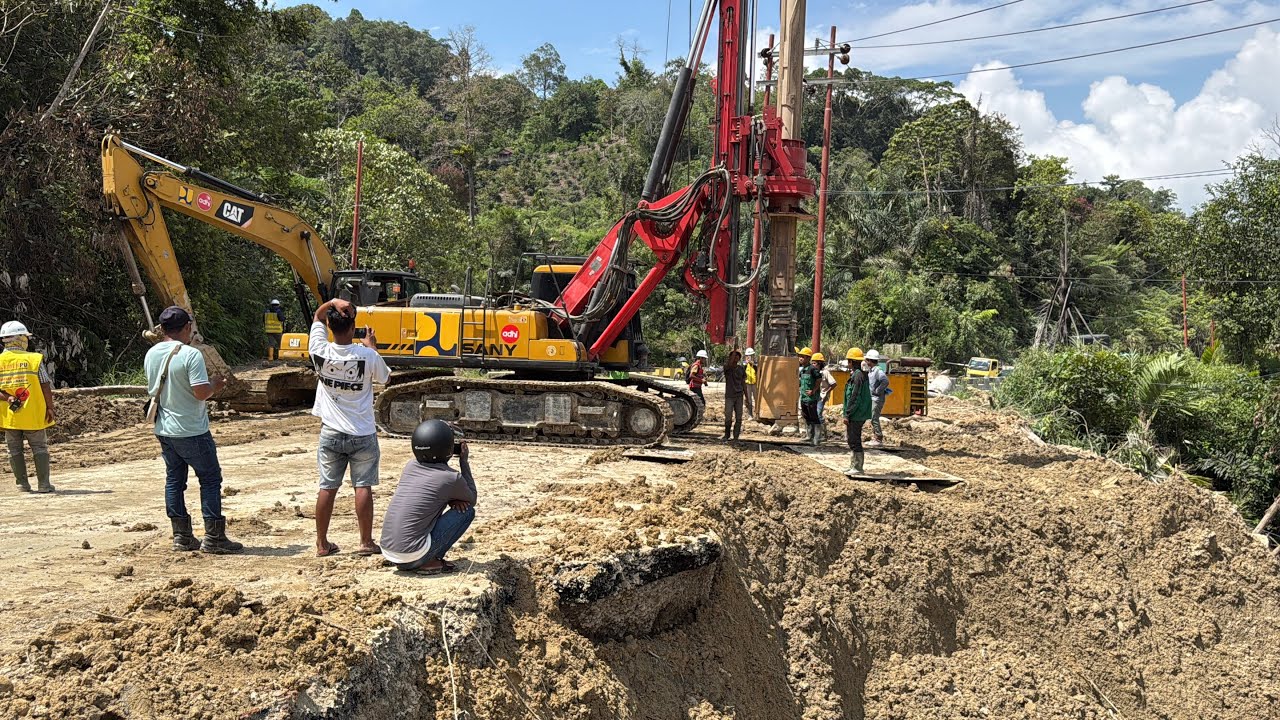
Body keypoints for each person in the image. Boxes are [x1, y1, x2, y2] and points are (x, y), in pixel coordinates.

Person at [143, 306, 242, 553]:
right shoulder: (191, 355)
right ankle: (214, 537)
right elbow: (200, 392)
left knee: (174, 480)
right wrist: (216, 386)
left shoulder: (152, 353)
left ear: (162, 329)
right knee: (209, 479)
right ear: (187, 327)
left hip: (164, 428)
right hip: (191, 429)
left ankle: (182, 536)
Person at [309, 297, 390, 558]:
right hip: (362, 432)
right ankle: (365, 542)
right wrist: (372, 348)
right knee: (363, 486)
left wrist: (331, 301)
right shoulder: (366, 355)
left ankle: (322, 544)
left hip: (331, 432)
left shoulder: (319, 350)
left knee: (327, 487)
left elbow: (317, 317)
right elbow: (385, 378)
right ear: (353, 325)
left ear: (331, 327)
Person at [380, 420, 477, 574]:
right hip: (413, 556)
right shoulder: (451, 478)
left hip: (390, 552)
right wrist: (463, 461)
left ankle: (422, 558)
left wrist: (451, 498)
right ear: (448, 448)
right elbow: (471, 498)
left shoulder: (410, 467)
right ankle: (431, 560)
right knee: (467, 511)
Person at [0, 321, 55, 493]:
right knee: (39, 447)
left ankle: (22, 484)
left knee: (14, 449)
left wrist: (9, 398)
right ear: (20, 339)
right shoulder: (34, 359)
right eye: (25, 337)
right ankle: (44, 485)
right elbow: (45, 385)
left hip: (10, 416)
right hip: (34, 413)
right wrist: (50, 408)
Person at [843, 347, 873, 475]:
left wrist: (848, 414)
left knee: (854, 439)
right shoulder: (858, 375)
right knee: (852, 439)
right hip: (857, 413)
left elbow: (854, 397)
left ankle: (858, 467)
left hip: (856, 413)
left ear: (851, 362)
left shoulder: (858, 376)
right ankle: (854, 465)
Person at [865, 349, 890, 447]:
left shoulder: (877, 371)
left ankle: (878, 439)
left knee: (874, 418)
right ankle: (875, 437)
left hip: (877, 399)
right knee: (872, 417)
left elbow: (885, 381)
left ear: (870, 360)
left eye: (867, 360)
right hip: (874, 398)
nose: (866, 362)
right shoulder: (872, 371)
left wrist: (877, 391)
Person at [799, 352, 823, 446]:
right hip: (804, 397)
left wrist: (813, 390)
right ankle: (809, 436)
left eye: (802, 357)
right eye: (800, 357)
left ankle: (817, 438)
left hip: (811, 398)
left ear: (808, 358)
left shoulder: (812, 369)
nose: (800, 358)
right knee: (806, 416)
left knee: (814, 417)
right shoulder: (803, 370)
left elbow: (819, 379)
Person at [722, 349, 746, 441]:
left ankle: (736, 436)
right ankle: (727, 435)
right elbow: (730, 364)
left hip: (739, 395)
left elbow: (743, 383)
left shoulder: (741, 369)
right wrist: (734, 350)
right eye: (733, 356)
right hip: (729, 396)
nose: (735, 357)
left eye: (737, 356)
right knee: (728, 416)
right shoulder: (727, 368)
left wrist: (747, 397)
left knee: (739, 417)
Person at [814, 352, 837, 443]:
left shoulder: (825, 372)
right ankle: (817, 434)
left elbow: (834, 384)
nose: (813, 365)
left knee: (818, 414)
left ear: (819, 363)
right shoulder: (813, 372)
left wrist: (826, 392)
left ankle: (822, 434)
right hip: (815, 396)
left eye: (814, 363)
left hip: (821, 396)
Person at [743, 347, 757, 420]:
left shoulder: (756, 365)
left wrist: (753, 364)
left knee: (756, 399)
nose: (750, 357)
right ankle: (750, 415)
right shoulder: (744, 365)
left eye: (751, 356)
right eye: (749, 356)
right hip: (747, 384)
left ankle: (757, 414)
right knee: (749, 400)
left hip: (755, 384)